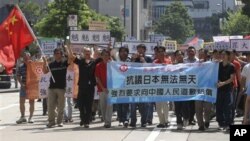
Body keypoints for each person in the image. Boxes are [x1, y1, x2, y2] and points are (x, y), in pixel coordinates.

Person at [67, 46, 102, 128]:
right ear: (83, 53)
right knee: (80, 104)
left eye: (88, 51)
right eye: (85, 51)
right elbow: (72, 57)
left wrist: (97, 51)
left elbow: (102, 56)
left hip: (90, 87)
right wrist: (69, 48)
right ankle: (83, 119)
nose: (87, 53)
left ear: (91, 52)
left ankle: (86, 121)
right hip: (82, 86)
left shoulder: (94, 62)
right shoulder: (81, 62)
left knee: (89, 105)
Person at [43, 48, 68, 128]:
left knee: (61, 106)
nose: (57, 55)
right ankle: (51, 121)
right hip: (52, 88)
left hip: (61, 88)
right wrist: (44, 62)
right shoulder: (51, 64)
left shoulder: (65, 63)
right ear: (54, 55)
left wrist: (67, 49)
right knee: (50, 106)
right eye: (56, 53)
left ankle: (60, 122)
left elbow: (71, 58)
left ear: (61, 54)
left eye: (58, 53)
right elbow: (45, 71)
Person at [130, 44, 153, 128]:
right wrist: (133, 59)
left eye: (141, 49)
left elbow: (151, 69)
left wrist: (143, 61)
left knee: (145, 105)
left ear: (144, 50)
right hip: (134, 84)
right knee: (133, 105)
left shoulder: (148, 59)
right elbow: (128, 69)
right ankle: (133, 121)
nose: (140, 51)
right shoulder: (133, 59)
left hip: (145, 84)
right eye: (138, 49)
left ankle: (144, 121)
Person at [216, 50, 235, 131]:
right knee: (219, 106)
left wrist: (223, 83)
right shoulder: (217, 65)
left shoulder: (231, 66)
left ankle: (228, 124)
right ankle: (221, 123)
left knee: (227, 107)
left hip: (228, 89)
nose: (222, 56)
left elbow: (232, 78)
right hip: (219, 89)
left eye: (224, 54)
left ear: (228, 56)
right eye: (221, 54)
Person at [153, 46, 172, 128]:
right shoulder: (154, 63)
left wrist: (166, 67)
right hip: (157, 87)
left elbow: (172, 72)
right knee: (158, 106)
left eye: (162, 51)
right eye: (159, 51)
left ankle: (166, 120)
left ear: (165, 52)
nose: (160, 53)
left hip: (165, 86)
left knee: (165, 105)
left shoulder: (168, 62)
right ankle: (161, 122)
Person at [195, 49, 212, 131]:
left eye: (202, 54)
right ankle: (200, 124)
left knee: (208, 107)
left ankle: (207, 120)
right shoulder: (195, 64)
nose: (201, 56)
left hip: (208, 88)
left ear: (206, 55)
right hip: (198, 89)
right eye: (200, 54)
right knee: (198, 108)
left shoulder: (211, 64)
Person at [95, 49, 112, 128]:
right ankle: (105, 121)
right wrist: (103, 88)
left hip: (111, 89)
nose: (106, 57)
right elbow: (97, 78)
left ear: (109, 56)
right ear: (101, 56)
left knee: (110, 105)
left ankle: (108, 122)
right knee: (103, 106)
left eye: (107, 55)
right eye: (104, 55)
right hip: (102, 89)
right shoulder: (98, 65)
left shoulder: (112, 65)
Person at [16, 52, 35, 124]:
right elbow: (18, 75)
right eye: (24, 58)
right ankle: (23, 116)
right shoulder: (21, 66)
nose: (26, 59)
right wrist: (21, 84)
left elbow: (37, 75)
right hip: (23, 86)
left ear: (29, 58)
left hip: (32, 86)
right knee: (21, 102)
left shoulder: (33, 65)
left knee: (31, 102)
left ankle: (31, 117)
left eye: (27, 57)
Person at [173, 50, 190, 130]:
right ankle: (179, 122)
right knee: (177, 107)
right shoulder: (172, 66)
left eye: (180, 55)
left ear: (183, 56)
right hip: (176, 89)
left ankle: (186, 118)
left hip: (185, 89)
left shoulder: (188, 65)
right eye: (177, 55)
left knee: (185, 106)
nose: (179, 56)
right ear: (175, 57)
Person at [184, 46, 199, 125]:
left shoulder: (198, 61)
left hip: (195, 84)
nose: (191, 53)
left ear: (195, 52)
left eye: (192, 51)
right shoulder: (184, 61)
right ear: (187, 52)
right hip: (185, 84)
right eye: (189, 51)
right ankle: (187, 117)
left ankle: (192, 118)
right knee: (186, 102)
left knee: (193, 103)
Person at [117, 47, 130, 128]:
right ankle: (120, 120)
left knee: (126, 104)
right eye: (121, 51)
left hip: (128, 85)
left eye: (125, 51)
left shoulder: (130, 61)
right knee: (119, 104)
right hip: (118, 85)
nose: (123, 53)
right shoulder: (116, 62)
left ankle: (126, 119)